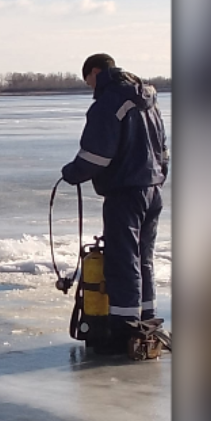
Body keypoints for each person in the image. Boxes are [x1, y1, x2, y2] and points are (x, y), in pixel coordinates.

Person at [60, 53, 169, 353]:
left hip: (125, 191)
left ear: (96, 71)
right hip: (152, 189)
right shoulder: (147, 99)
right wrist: (158, 177)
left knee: (123, 259)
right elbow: (162, 148)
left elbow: (97, 153)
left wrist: (72, 173)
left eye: (89, 81)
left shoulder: (110, 102)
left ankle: (123, 328)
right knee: (143, 257)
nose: (90, 88)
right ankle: (147, 318)